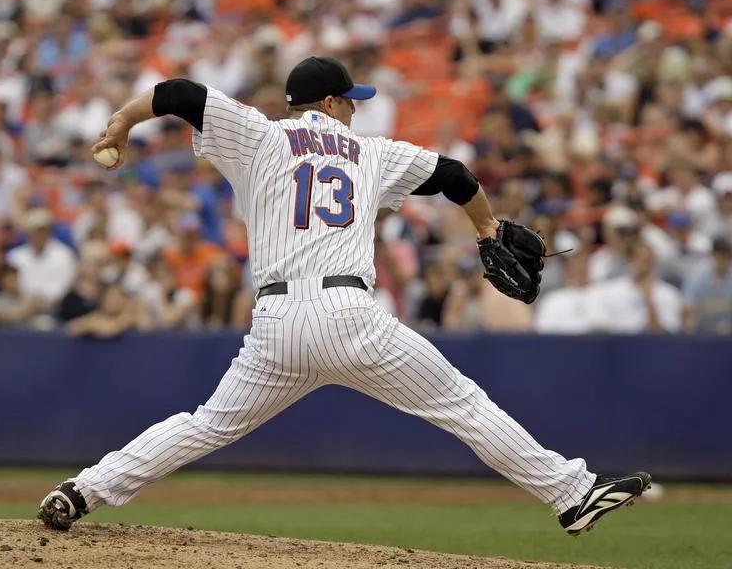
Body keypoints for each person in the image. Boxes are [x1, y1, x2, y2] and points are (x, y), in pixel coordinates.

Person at [38, 56, 650, 536]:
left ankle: (84, 490)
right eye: (351, 102)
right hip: (347, 317)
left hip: (276, 325)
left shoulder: (260, 134)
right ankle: (571, 494)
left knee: (205, 426)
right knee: (461, 403)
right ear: (331, 102)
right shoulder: (372, 153)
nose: (356, 112)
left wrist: (121, 121)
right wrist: (488, 229)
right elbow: (459, 176)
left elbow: (176, 93)